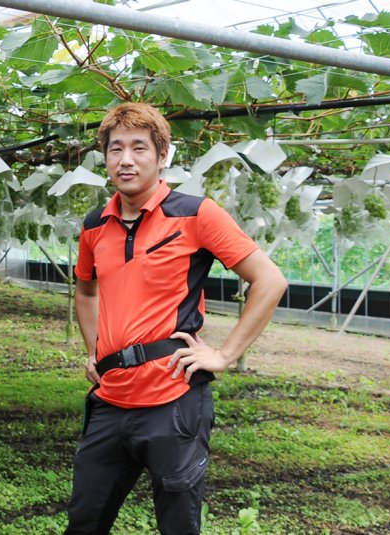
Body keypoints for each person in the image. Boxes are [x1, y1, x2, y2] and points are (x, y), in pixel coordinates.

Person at [67, 102, 287, 534]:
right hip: (110, 400)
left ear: (162, 155)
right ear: (105, 157)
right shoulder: (94, 225)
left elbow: (270, 280)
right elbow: (86, 290)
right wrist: (95, 349)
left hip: (173, 399)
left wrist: (223, 355)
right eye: (115, 149)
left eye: (139, 148)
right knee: (85, 521)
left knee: (178, 525)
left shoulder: (195, 214)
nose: (126, 160)